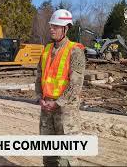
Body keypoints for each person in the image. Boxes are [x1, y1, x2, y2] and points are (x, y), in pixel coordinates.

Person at [35, 9, 86, 166]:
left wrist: (58, 102)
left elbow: (75, 84)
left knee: (66, 157)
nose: (52, 29)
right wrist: (39, 98)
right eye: (51, 26)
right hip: (47, 109)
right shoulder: (47, 50)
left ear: (66, 28)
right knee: (49, 154)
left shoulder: (75, 51)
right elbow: (39, 77)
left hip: (66, 113)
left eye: (56, 26)